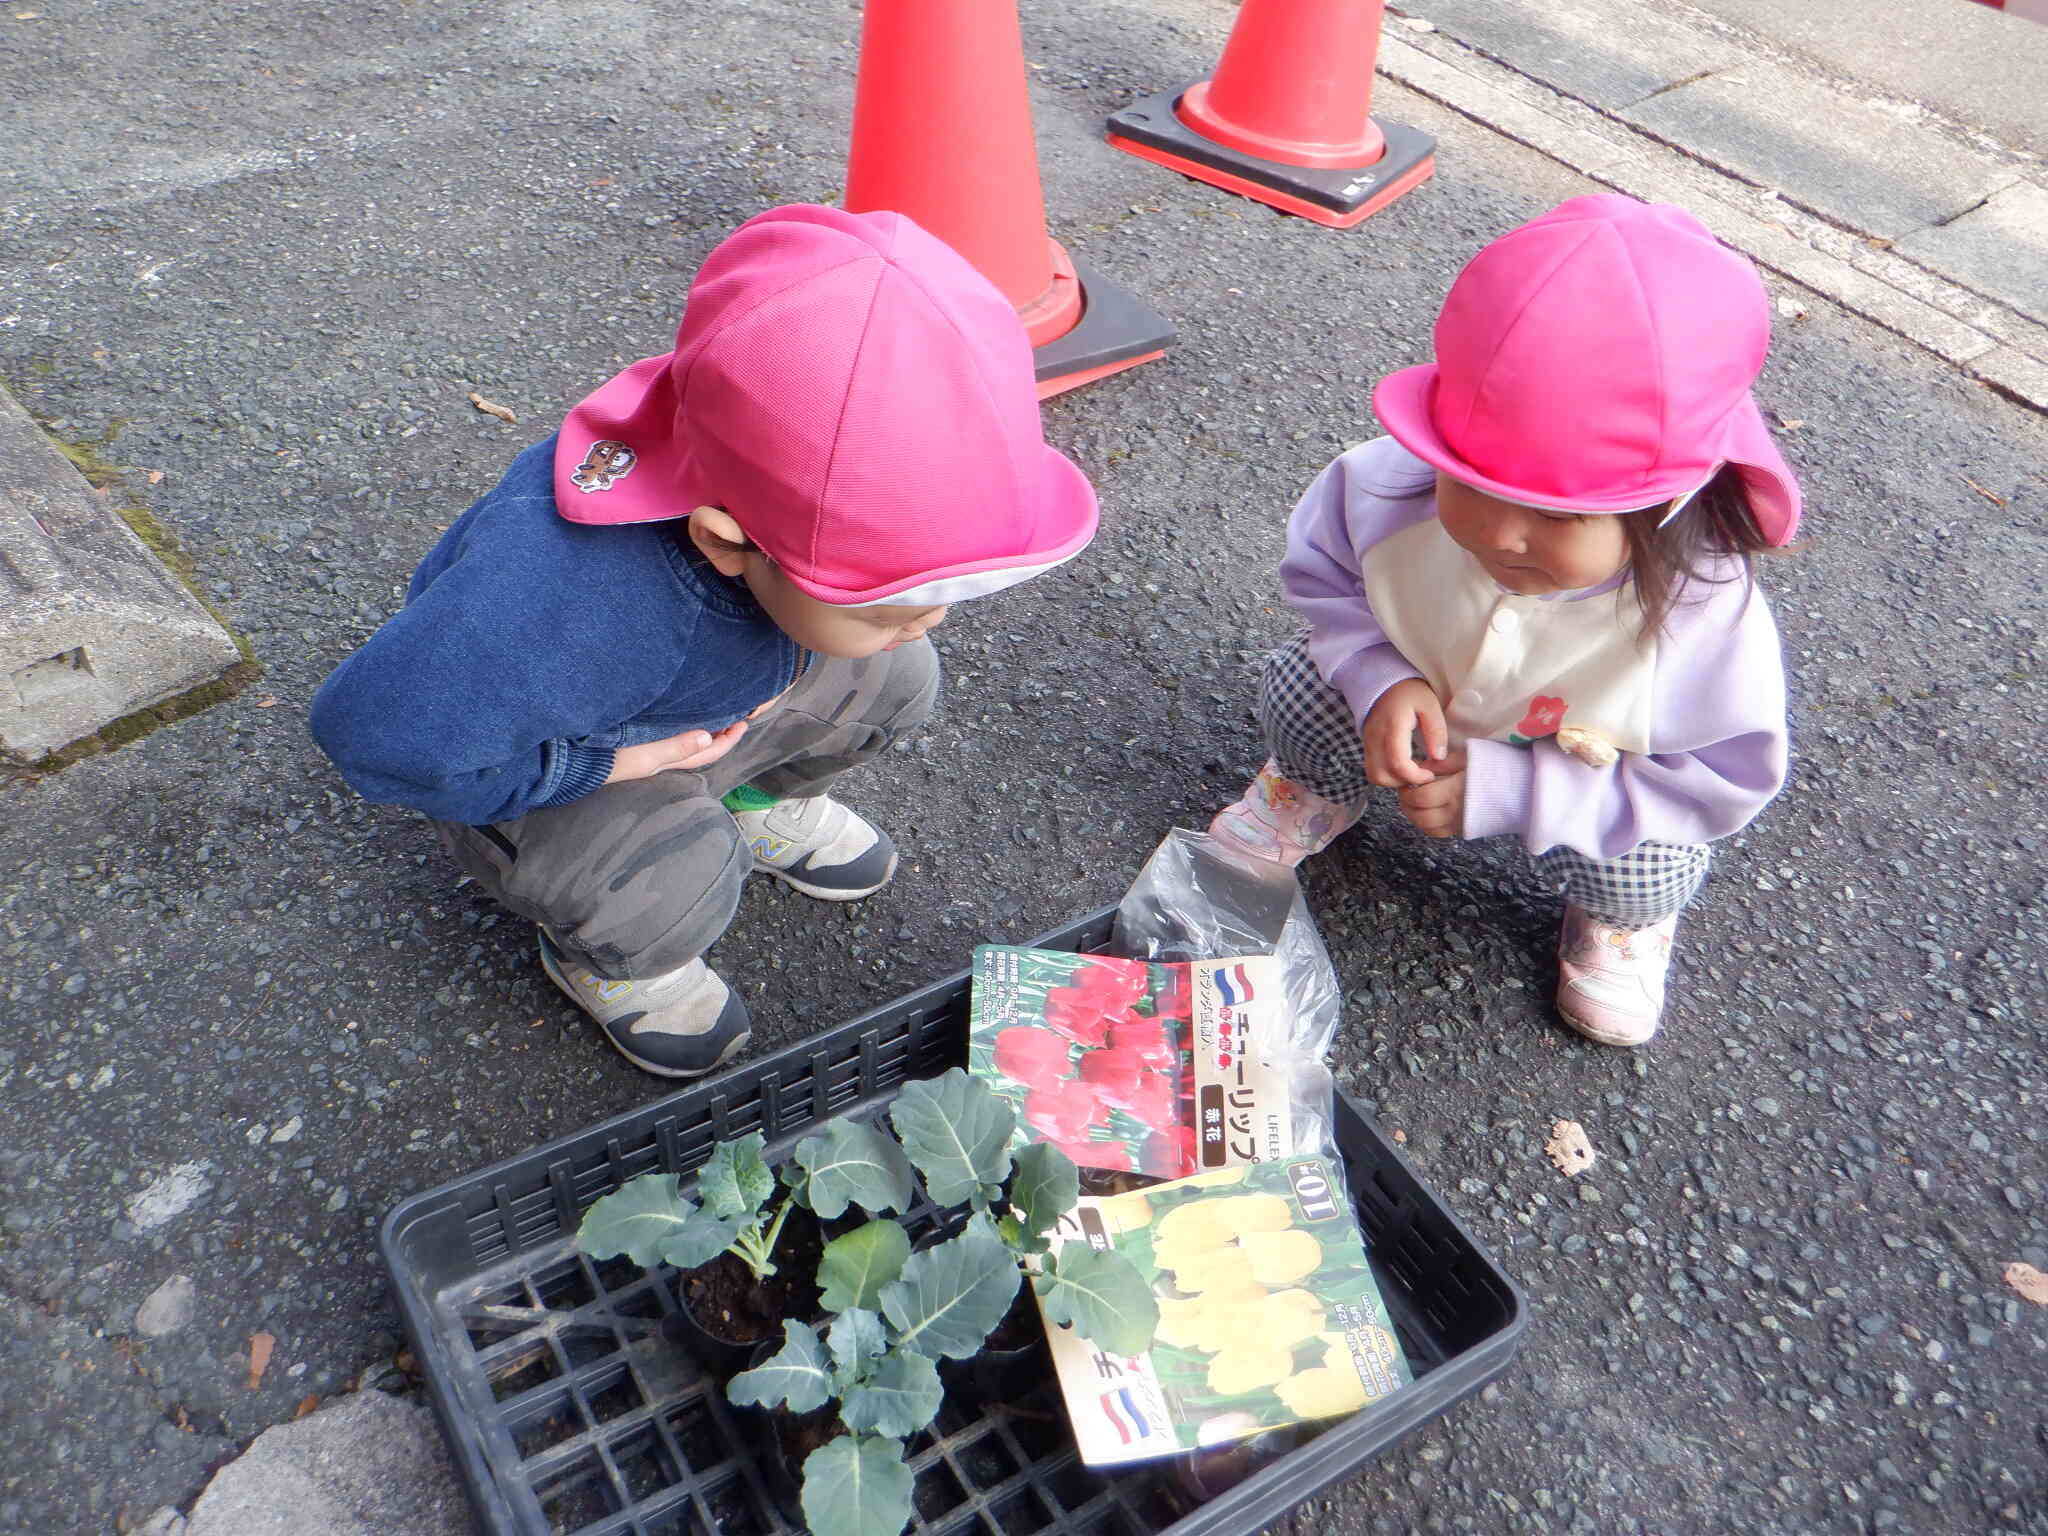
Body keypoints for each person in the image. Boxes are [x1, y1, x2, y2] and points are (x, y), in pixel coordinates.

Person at [309, 204, 1097, 1076]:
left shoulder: (746, 452)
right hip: (569, 751)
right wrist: (604, 768)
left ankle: (757, 801)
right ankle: (609, 957)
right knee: (676, 879)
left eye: (948, 589)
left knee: (899, 674)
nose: (934, 613)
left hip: (716, 686)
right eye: (882, 599)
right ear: (726, 541)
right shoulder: (566, 605)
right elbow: (377, 736)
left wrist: (851, 629)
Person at [1208, 194, 1801, 1048]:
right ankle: (1307, 791)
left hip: (1588, 777)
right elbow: (1324, 582)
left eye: (1559, 516)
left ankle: (1620, 926)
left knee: (1651, 863)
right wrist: (1381, 675)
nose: (1499, 533)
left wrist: (1517, 789)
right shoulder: (1384, 489)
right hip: (1420, 699)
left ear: (1673, 505)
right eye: (1471, 482)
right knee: (1306, 692)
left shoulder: (1700, 617)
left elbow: (1717, 785)